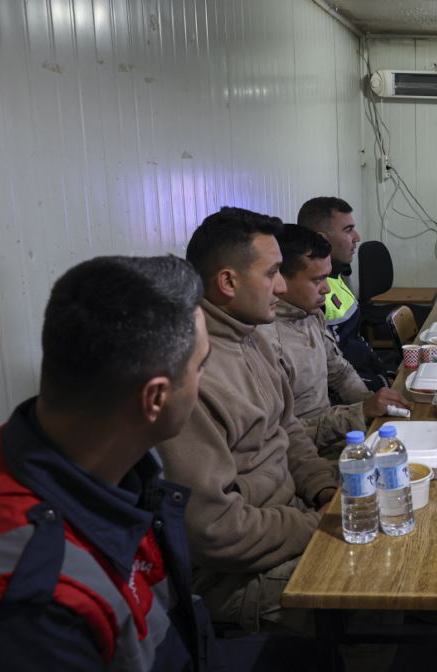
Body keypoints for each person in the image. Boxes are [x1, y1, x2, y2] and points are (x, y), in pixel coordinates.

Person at [0, 256, 219, 669]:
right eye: (200, 366)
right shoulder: (40, 603)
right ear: (156, 398)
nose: (204, 380)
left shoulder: (119, 469)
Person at [158, 207, 337, 635]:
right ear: (227, 282)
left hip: (286, 520)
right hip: (234, 577)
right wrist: (320, 524)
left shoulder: (251, 333)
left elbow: (288, 429)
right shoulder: (192, 374)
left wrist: (326, 489)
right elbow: (216, 531)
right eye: (273, 272)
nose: (281, 285)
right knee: (375, 578)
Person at [266, 224, 411, 458]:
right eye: (317, 280)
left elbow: (340, 372)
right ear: (281, 279)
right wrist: (360, 412)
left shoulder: (311, 314)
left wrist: (372, 404)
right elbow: (283, 436)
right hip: (308, 456)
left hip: (338, 437)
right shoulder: (266, 339)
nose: (326, 289)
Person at [297, 196, 391, 391]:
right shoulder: (311, 297)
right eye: (348, 230)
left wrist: (385, 375)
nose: (357, 237)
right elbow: (332, 374)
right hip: (355, 395)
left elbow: (357, 342)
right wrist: (379, 386)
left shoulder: (336, 275)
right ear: (322, 239)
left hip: (368, 382)